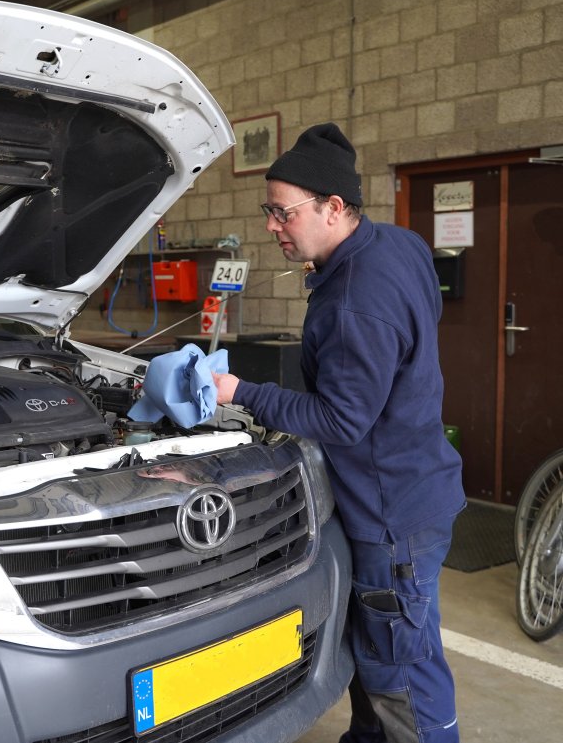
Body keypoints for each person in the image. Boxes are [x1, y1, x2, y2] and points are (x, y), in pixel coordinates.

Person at [212, 123, 465, 743]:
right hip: (420, 485)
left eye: (282, 212)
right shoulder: (399, 245)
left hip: (391, 516)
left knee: (401, 672)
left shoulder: (356, 301)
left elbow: (341, 421)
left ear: (333, 207)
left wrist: (242, 394)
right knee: (375, 648)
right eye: (268, 210)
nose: (272, 225)